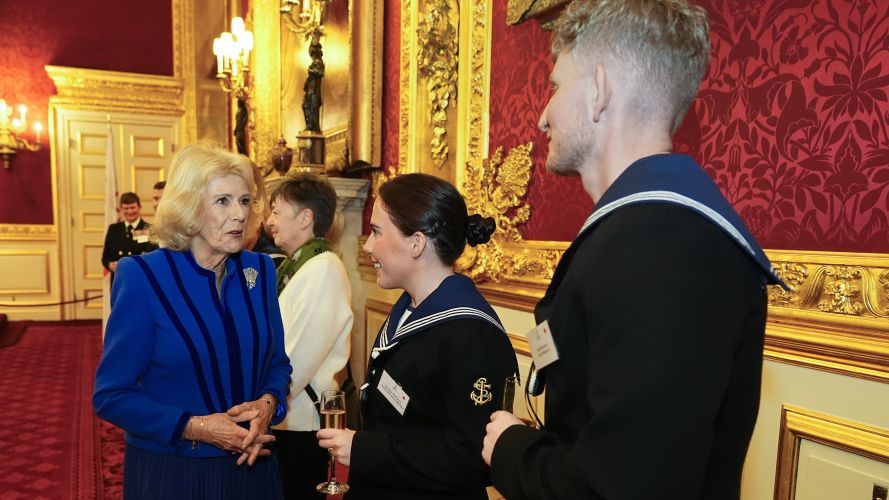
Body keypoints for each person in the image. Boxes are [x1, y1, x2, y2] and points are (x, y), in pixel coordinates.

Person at [481, 1, 788, 499]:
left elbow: (624, 487)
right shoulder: (648, 231)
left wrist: (514, 451)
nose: (542, 116)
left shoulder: (662, 245)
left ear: (599, 91)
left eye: (557, 85)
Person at [93, 143, 293, 499]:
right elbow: (111, 395)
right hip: (176, 472)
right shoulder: (142, 276)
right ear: (188, 205)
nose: (239, 214)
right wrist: (197, 428)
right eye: (223, 201)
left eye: (245, 201)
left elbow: (277, 362)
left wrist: (268, 405)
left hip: (254, 464)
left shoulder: (259, 270)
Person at [317, 173, 518, 500]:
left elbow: (470, 461)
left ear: (416, 243)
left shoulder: (471, 334)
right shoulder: (409, 307)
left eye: (377, 232)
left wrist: (365, 450)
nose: (367, 245)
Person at [265, 175, 353, 499]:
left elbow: (296, 361)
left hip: (299, 424)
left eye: (276, 212)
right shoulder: (299, 266)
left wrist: (259, 402)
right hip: (282, 418)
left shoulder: (323, 269)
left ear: (305, 218)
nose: (269, 221)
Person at [101, 192, 157, 287]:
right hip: (119, 281)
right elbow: (105, 257)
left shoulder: (149, 229)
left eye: (132, 207)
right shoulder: (113, 229)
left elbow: (153, 257)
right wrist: (110, 265)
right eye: (126, 208)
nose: (129, 212)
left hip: (141, 281)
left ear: (139, 207)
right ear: (121, 209)